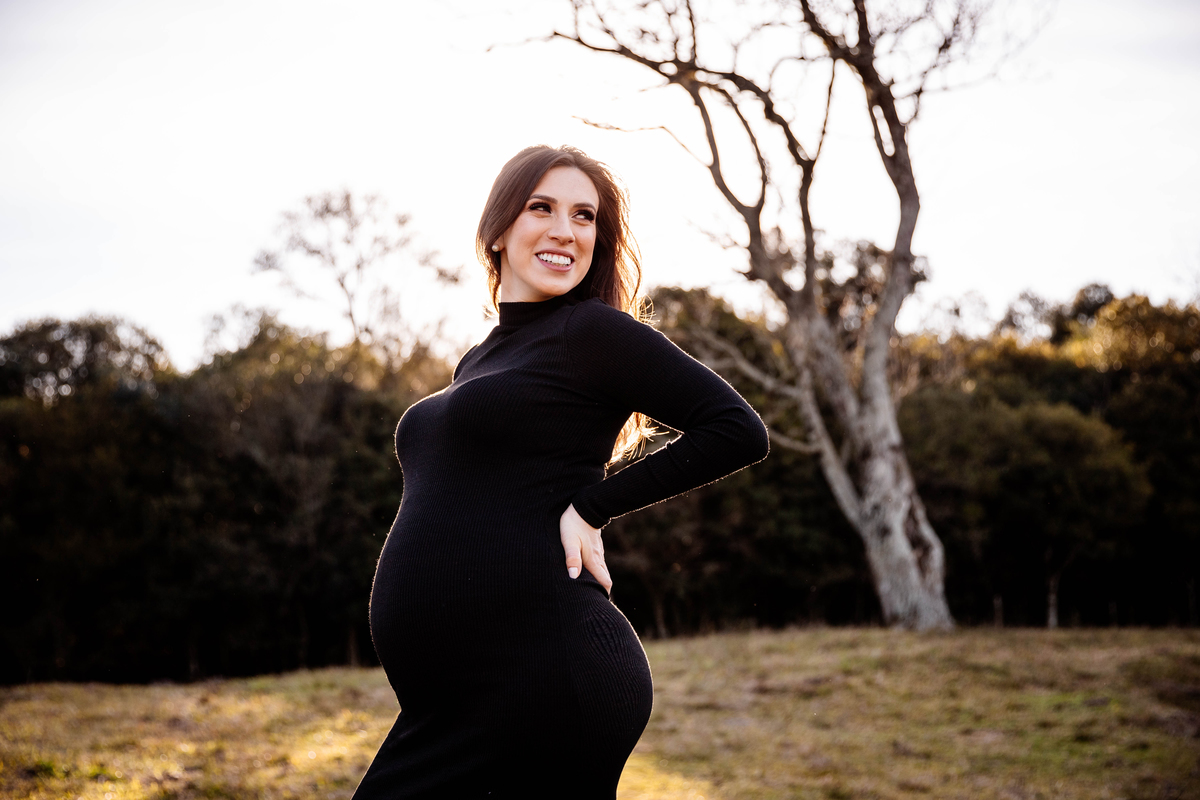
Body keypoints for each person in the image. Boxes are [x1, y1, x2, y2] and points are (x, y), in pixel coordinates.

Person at [352, 145, 769, 799]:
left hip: (545, 673)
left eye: (584, 216)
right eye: (541, 208)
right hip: (458, 697)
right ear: (498, 229)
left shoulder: (592, 331)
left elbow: (737, 429)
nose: (564, 230)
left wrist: (592, 507)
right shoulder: (480, 358)